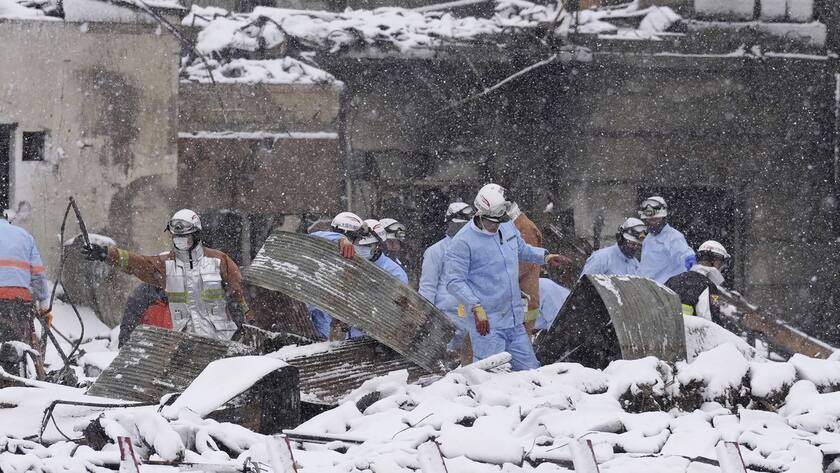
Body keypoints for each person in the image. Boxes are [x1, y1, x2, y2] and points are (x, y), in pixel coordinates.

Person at [445, 183, 570, 371]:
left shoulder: (507, 228)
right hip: (487, 324)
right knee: (493, 376)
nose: (495, 226)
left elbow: (522, 249)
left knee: (530, 371)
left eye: (499, 220)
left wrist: (545, 256)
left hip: (513, 320)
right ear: (480, 214)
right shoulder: (463, 243)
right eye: (491, 221)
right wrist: (475, 307)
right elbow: (454, 281)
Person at [82, 209, 249, 341]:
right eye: (176, 237)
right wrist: (107, 254)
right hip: (183, 341)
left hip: (221, 340)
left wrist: (247, 324)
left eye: (184, 237)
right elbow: (138, 263)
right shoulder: (166, 264)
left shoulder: (219, 260)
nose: (179, 240)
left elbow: (240, 295)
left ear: (197, 235)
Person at [309, 213, 408, 339]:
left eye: (367, 246)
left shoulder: (394, 273)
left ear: (378, 246)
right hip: (330, 334)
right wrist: (340, 239)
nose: (360, 249)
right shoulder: (350, 260)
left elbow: (392, 313)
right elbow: (312, 238)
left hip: (369, 340)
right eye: (358, 245)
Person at [419, 202, 475, 362]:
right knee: (445, 363)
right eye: (459, 225)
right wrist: (425, 318)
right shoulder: (435, 252)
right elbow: (427, 288)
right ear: (448, 223)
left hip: (472, 317)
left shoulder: (475, 250)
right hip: (446, 319)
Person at [0, 212, 49, 374]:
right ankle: (13, 384)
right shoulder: (24, 236)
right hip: (19, 304)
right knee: (14, 348)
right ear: (6, 216)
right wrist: (43, 304)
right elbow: (38, 274)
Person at [665, 240, 730, 324]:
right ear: (715, 261)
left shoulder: (672, 280)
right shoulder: (709, 286)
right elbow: (711, 323)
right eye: (721, 265)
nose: (721, 269)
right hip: (690, 335)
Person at [637, 196, 695, 283]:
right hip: (647, 288)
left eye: (656, 219)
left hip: (666, 290)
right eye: (650, 220)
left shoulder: (674, 237)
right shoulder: (648, 238)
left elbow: (685, 255)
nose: (652, 222)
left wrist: (691, 262)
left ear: (664, 218)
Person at [507, 201, 543, 335]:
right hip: (522, 300)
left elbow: (523, 265)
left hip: (526, 302)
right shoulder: (517, 226)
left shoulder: (525, 228)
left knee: (519, 343)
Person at [580, 217, 647, 277]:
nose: (634, 248)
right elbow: (583, 286)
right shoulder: (601, 258)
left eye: (638, 245)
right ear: (621, 239)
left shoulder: (636, 265)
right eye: (631, 244)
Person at [118, 283, 172, 347]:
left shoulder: (180, 292)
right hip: (148, 347)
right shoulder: (143, 293)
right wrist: (124, 346)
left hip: (175, 346)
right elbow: (128, 325)